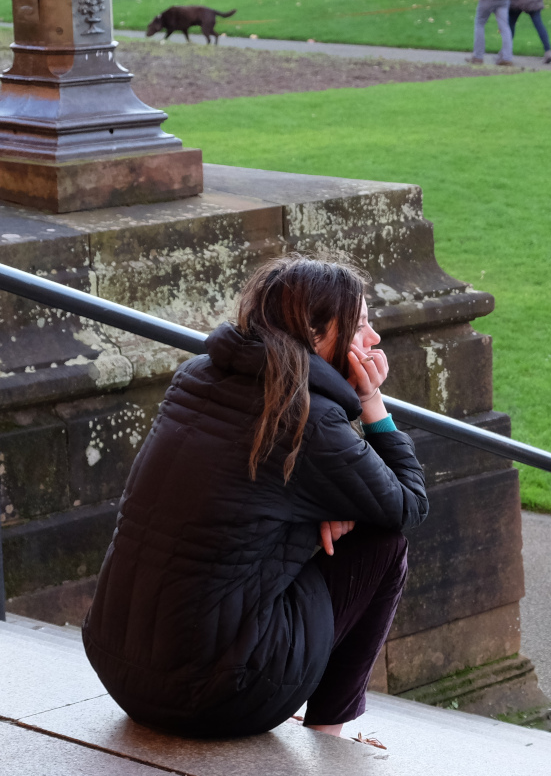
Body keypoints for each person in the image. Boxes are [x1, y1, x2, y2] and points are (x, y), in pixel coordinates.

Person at [81, 255, 429, 742]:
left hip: (120, 666)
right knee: (383, 543)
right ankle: (329, 730)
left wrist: (328, 506)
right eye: (359, 327)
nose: (373, 340)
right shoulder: (305, 416)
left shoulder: (196, 377)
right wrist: (372, 403)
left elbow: (240, 496)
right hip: (216, 695)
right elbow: (409, 504)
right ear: (313, 333)